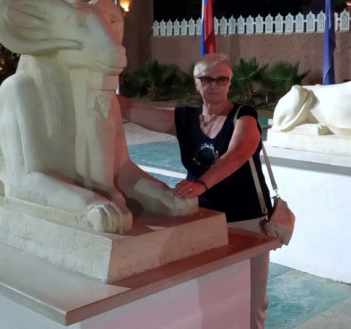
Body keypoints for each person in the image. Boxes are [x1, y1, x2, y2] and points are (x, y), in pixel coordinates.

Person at [117, 52, 273, 329]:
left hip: (246, 217)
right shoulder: (185, 119)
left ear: (229, 83)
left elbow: (237, 155)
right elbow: (128, 108)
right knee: (211, 292)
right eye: (206, 79)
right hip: (203, 216)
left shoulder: (244, 116)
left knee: (251, 297)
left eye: (221, 79)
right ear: (196, 83)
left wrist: (201, 184)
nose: (214, 84)